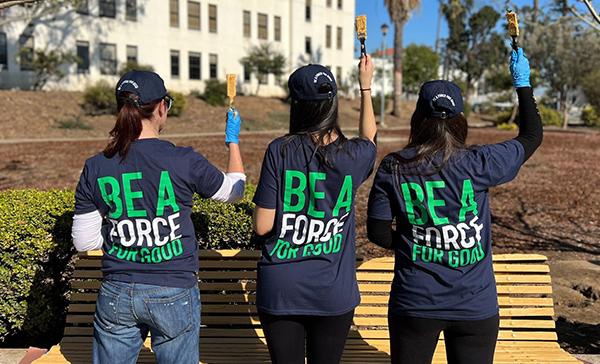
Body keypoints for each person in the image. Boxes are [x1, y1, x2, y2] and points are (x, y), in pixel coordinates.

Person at [366, 47, 542, 364]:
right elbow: (531, 135)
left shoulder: (394, 167)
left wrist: (417, 242)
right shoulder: (480, 162)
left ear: (417, 118)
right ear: (460, 120)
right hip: (475, 306)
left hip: (415, 302)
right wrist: (522, 84)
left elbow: (377, 232)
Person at [71, 70, 246, 364]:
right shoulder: (184, 160)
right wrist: (233, 140)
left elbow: (84, 241)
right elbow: (235, 191)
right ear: (162, 108)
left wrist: (126, 229)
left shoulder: (96, 167)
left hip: (117, 291)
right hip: (175, 290)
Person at [251, 56, 377, 364]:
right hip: (332, 292)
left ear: (297, 104)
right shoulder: (354, 155)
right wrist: (365, 87)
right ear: (332, 103)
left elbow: (262, 226)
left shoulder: (279, 150)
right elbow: (370, 140)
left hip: (281, 290)